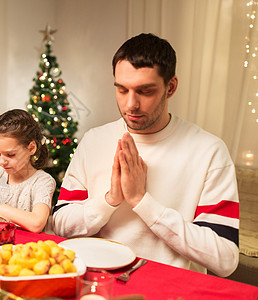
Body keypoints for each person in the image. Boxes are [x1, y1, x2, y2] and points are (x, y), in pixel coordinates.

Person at [52, 33, 239, 277]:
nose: (131, 104)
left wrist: (142, 202)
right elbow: (60, 226)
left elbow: (225, 259)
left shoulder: (209, 151)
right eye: (122, 89)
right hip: (95, 284)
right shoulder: (94, 140)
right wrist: (109, 199)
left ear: (170, 87)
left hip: (170, 290)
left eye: (145, 91)